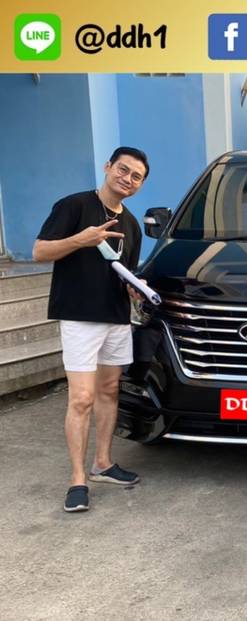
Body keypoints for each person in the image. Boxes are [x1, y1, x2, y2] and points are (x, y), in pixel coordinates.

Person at [33, 146, 150, 513]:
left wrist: (135, 287)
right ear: (108, 166)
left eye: (136, 177)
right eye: (123, 170)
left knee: (109, 391)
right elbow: (39, 251)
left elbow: (124, 271)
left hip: (116, 317)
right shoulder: (74, 206)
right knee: (81, 398)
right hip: (79, 316)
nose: (127, 179)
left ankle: (103, 463)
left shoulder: (132, 225)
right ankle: (77, 480)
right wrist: (80, 240)